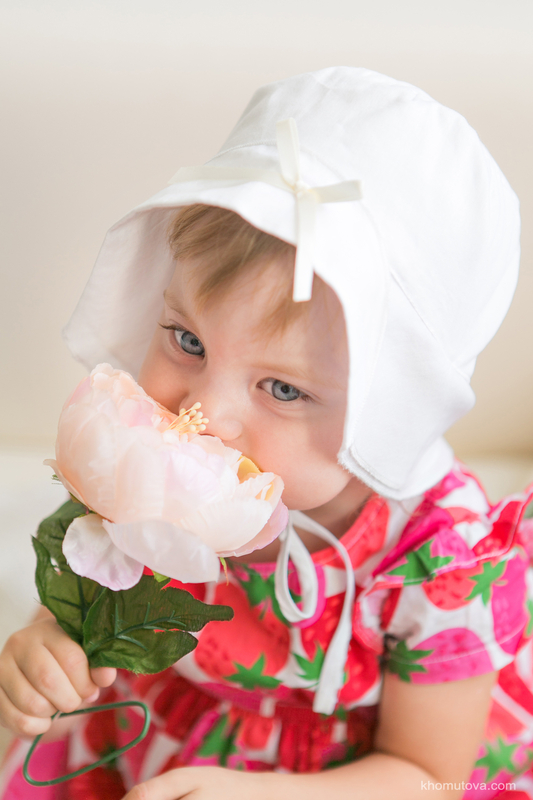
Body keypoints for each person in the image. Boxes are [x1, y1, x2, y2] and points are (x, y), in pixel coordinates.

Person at [1, 67, 532, 800]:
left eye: (283, 389)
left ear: (389, 412)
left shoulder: (440, 560)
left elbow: (429, 774)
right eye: (187, 340)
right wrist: (49, 652)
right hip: (157, 738)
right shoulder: (144, 459)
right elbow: (91, 596)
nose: (204, 417)